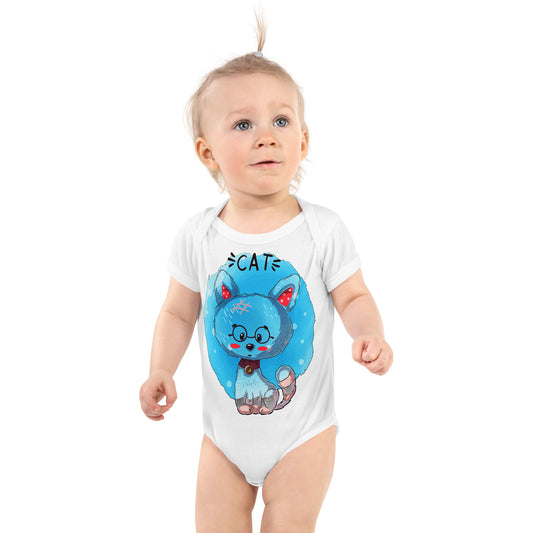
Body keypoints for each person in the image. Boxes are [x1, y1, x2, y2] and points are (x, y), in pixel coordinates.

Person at [139, 10, 393, 533]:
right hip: (223, 439)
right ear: (207, 153)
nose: (266, 137)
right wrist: (161, 368)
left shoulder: (322, 229)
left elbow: (353, 296)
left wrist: (369, 333)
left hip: (303, 434)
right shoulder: (198, 235)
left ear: (303, 141)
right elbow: (177, 313)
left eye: (281, 121)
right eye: (243, 124)